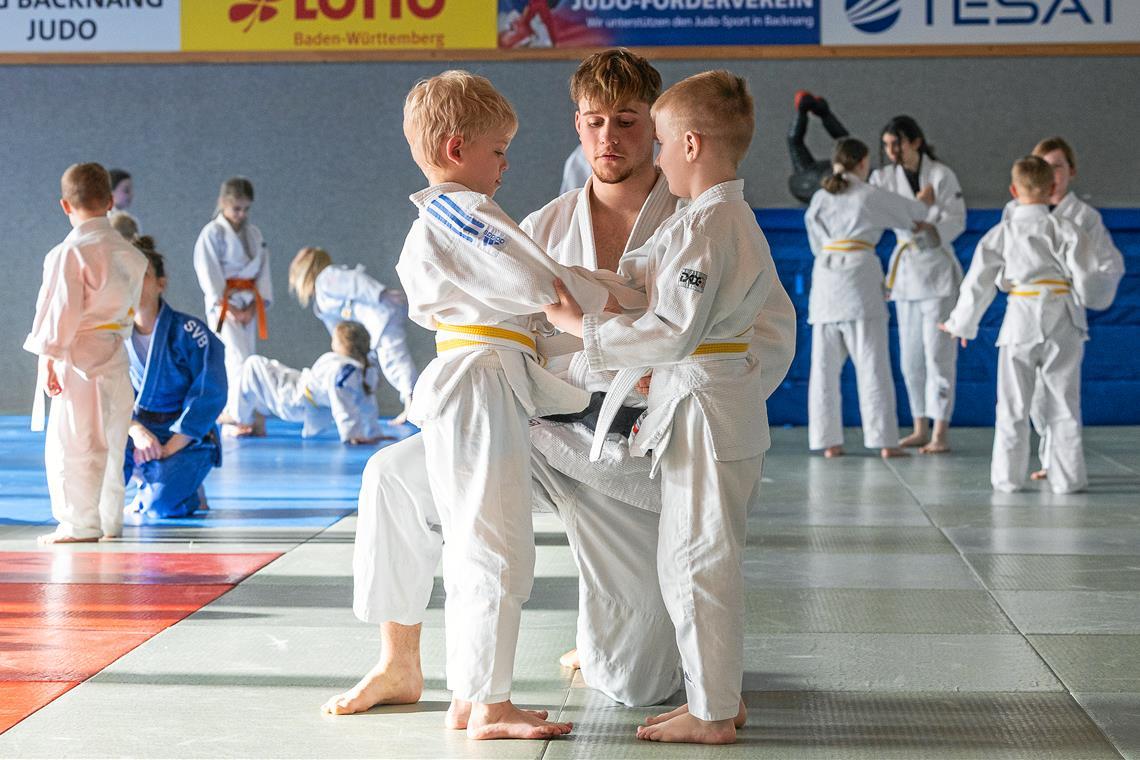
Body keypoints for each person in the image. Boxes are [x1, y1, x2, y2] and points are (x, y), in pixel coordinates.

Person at [322, 49, 796, 739]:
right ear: (577, 125)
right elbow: (495, 314)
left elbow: (764, 340)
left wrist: (654, 395)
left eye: (630, 122)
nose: (610, 138)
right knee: (392, 477)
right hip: (538, 425)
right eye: (595, 121)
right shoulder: (538, 226)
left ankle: (621, 645)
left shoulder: (702, 220)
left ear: (660, 130)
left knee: (637, 681)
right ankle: (399, 661)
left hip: (635, 454)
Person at [544, 70, 794, 745]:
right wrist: (596, 286)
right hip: (709, 403)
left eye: (655, 141)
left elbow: (672, 329)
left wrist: (581, 329)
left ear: (688, 145)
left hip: (705, 408)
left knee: (695, 563)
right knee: (700, 560)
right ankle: (721, 697)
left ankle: (712, 714)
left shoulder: (711, 227)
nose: (650, 156)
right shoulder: (713, 222)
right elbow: (653, 279)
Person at [397, 69, 617, 740]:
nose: (505, 166)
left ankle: (472, 693)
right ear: (458, 147)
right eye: (498, 151)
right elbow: (540, 282)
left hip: (474, 374)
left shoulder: (443, 213)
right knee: (497, 544)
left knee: (474, 543)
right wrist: (610, 317)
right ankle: (490, 704)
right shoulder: (461, 209)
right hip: (481, 380)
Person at [940, 156, 1089, 494]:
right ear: (1053, 189)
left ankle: (1007, 479)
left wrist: (961, 324)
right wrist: (1082, 301)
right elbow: (1087, 277)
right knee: (1064, 404)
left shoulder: (1002, 232)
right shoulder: (1066, 229)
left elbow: (978, 281)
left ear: (1013, 190)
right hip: (1062, 319)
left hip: (1020, 319)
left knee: (1012, 405)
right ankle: (1067, 480)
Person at [23, 162, 148, 544]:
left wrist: (49, 358)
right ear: (110, 201)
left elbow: (61, 311)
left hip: (77, 359)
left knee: (73, 445)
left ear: (64, 205)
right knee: (112, 443)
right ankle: (109, 520)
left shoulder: (70, 253)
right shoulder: (131, 255)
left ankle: (80, 523)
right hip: (115, 355)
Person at [1002, 137, 1125, 481]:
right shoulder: (1015, 213)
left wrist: (1088, 287)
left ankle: (1057, 463)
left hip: (1064, 310)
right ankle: (1050, 459)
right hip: (1026, 309)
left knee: (1059, 392)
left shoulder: (1084, 217)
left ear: (1071, 170)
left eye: (1058, 165)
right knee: (1033, 399)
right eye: (1044, 165)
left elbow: (1108, 265)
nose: (1051, 173)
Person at [805, 138, 933, 459]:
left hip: (825, 284)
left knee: (823, 369)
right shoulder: (868, 195)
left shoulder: (819, 198)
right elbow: (913, 215)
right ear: (862, 163)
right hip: (859, 284)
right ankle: (884, 442)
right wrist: (924, 200)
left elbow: (816, 244)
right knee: (872, 365)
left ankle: (828, 441)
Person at [871, 116, 966, 454]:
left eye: (896, 143)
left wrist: (927, 216)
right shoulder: (881, 177)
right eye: (886, 145)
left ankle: (940, 430)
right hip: (906, 277)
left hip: (937, 274)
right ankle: (919, 427)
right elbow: (877, 214)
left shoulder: (941, 175)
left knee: (938, 355)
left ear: (915, 142)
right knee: (910, 359)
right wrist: (919, 208)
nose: (891, 151)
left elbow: (957, 220)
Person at [122, 240, 227, 523]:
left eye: (142, 275)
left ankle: (182, 485)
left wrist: (169, 448)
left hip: (186, 437)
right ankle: (151, 476)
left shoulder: (189, 332)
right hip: (139, 433)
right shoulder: (115, 335)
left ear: (161, 283)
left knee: (159, 507)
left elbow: (210, 395)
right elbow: (110, 397)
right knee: (102, 479)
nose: (134, 283)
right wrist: (135, 431)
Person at [288, 247, 417, 423]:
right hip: (376, 321)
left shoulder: (326, 278)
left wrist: (381, 293)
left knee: (392, 357)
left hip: (382, 311)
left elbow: (356, 282)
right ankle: (363, 408)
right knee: (372, 363)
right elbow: (337, 329)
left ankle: (413, 402)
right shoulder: (321, 300)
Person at [193, 177, 271, 422]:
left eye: (246, 209)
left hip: (249, 302)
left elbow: (263, 271)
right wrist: (231, 309)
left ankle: (244, 414)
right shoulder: (211, 234)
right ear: (222, 203)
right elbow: (208, 273)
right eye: (236, 208)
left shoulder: (254, 234)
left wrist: (254, 305)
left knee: (247, 358)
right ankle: (234, 414)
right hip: (225, 307)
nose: (241, 214)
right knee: (234, 358)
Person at [232, 321, 384, 445]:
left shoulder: (341, 370)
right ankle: (252, 419)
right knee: (269, 369)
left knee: (253, 364)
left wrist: (351, 434)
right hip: (302, 389)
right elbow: (367, 402)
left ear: (344, 344)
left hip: (295, 400)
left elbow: (342, 402)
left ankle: (238, 420)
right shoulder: (365, 367)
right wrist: (374, 431)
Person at [787, 91, 850, 204]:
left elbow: (794, 141)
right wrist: (825, 115)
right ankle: (819, 111)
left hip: (812, 179)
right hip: (814, 178)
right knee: (847, 145)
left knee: (847, 145)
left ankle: (813, 111)